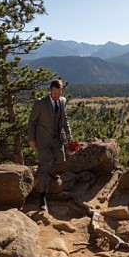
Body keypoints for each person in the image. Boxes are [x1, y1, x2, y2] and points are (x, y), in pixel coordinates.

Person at [27, 78, 72, 214]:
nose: (56, 96)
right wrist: (31, 140)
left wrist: (69, 133)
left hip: (56, 139)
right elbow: (32, 122)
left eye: (58, 94)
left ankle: (51, 173)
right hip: (42, 140)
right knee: (43, 168)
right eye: (54, 94)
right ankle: (42, 198)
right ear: (50, 91)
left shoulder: (63, 101)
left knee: (61, 160)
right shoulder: (40, 103)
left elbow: (64, 119)